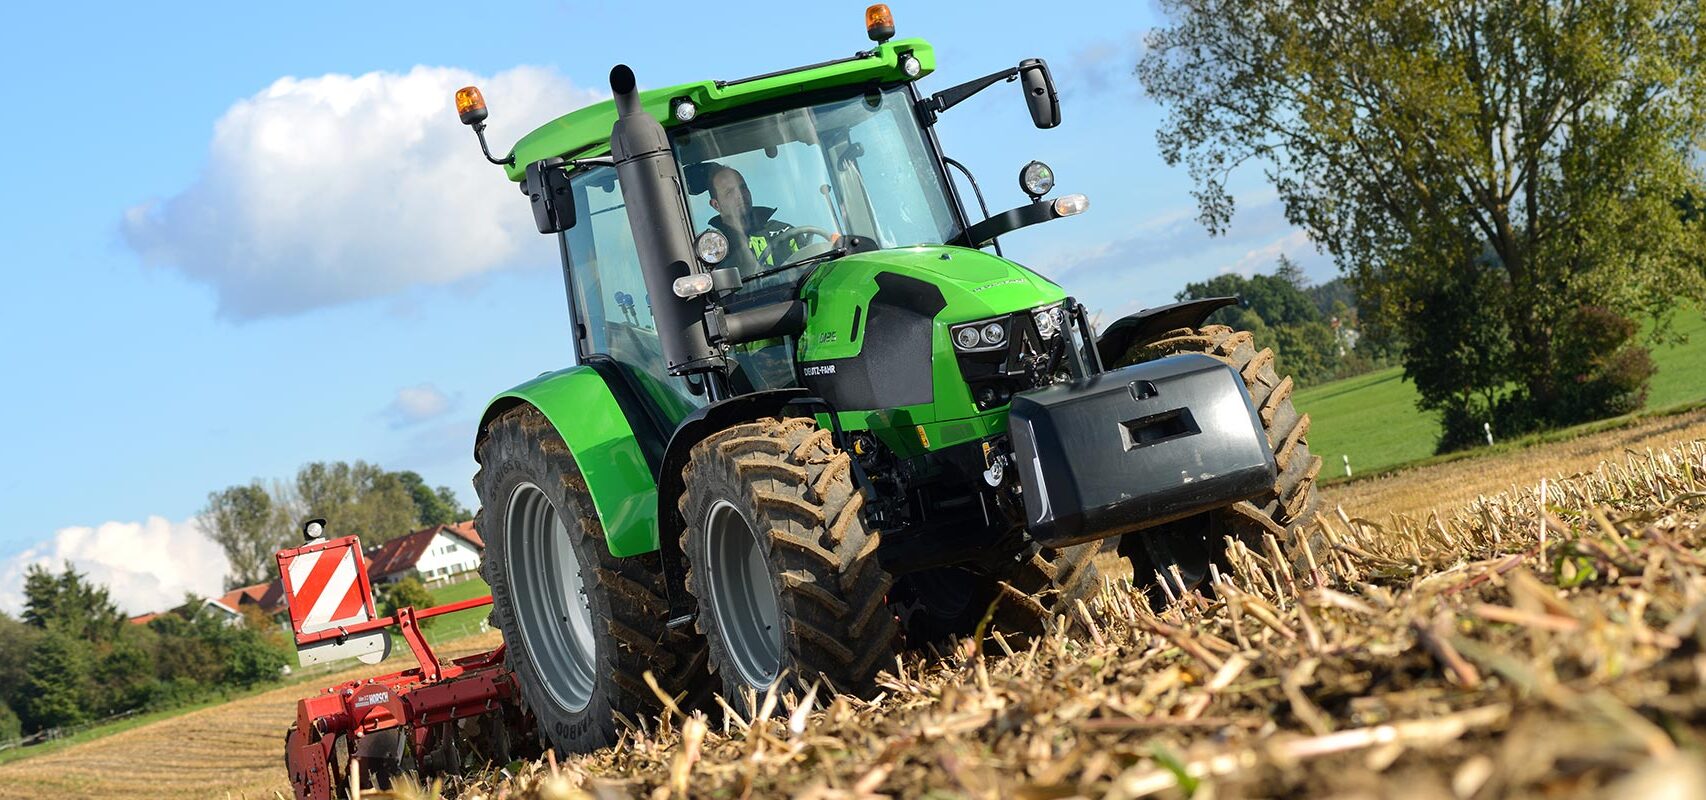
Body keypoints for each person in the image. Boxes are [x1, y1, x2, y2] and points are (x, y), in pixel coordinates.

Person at [706, 166, 797, 272]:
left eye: (743, 187)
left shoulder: (785, 232)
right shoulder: (714, 250)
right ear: (716, 205)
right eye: (730, 192)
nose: (740, 195)